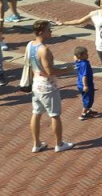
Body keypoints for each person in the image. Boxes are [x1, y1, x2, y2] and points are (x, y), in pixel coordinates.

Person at [28, 20, 73, 153]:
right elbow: (50, 72)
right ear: (41, 32)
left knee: (36, 113)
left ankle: (36, 144)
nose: (51, 32)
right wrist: (67, 70)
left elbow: (30, 65)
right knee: (55, 115)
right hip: (48, 86)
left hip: (36, 84)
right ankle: (59, 143)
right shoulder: (44, 50)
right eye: (49, 30)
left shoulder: (30, 45)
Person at [73, 46, 97, 120]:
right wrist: (85, 85)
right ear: (80, 55)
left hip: (79, 84)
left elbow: (74, 57)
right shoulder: (85, 64)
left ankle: (88, 110)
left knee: (85, 98)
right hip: (86, 84)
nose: (87, 55)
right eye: (86, 54)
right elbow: (84, 76)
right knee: (88, 99)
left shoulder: (78, 62)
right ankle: (83, 113)